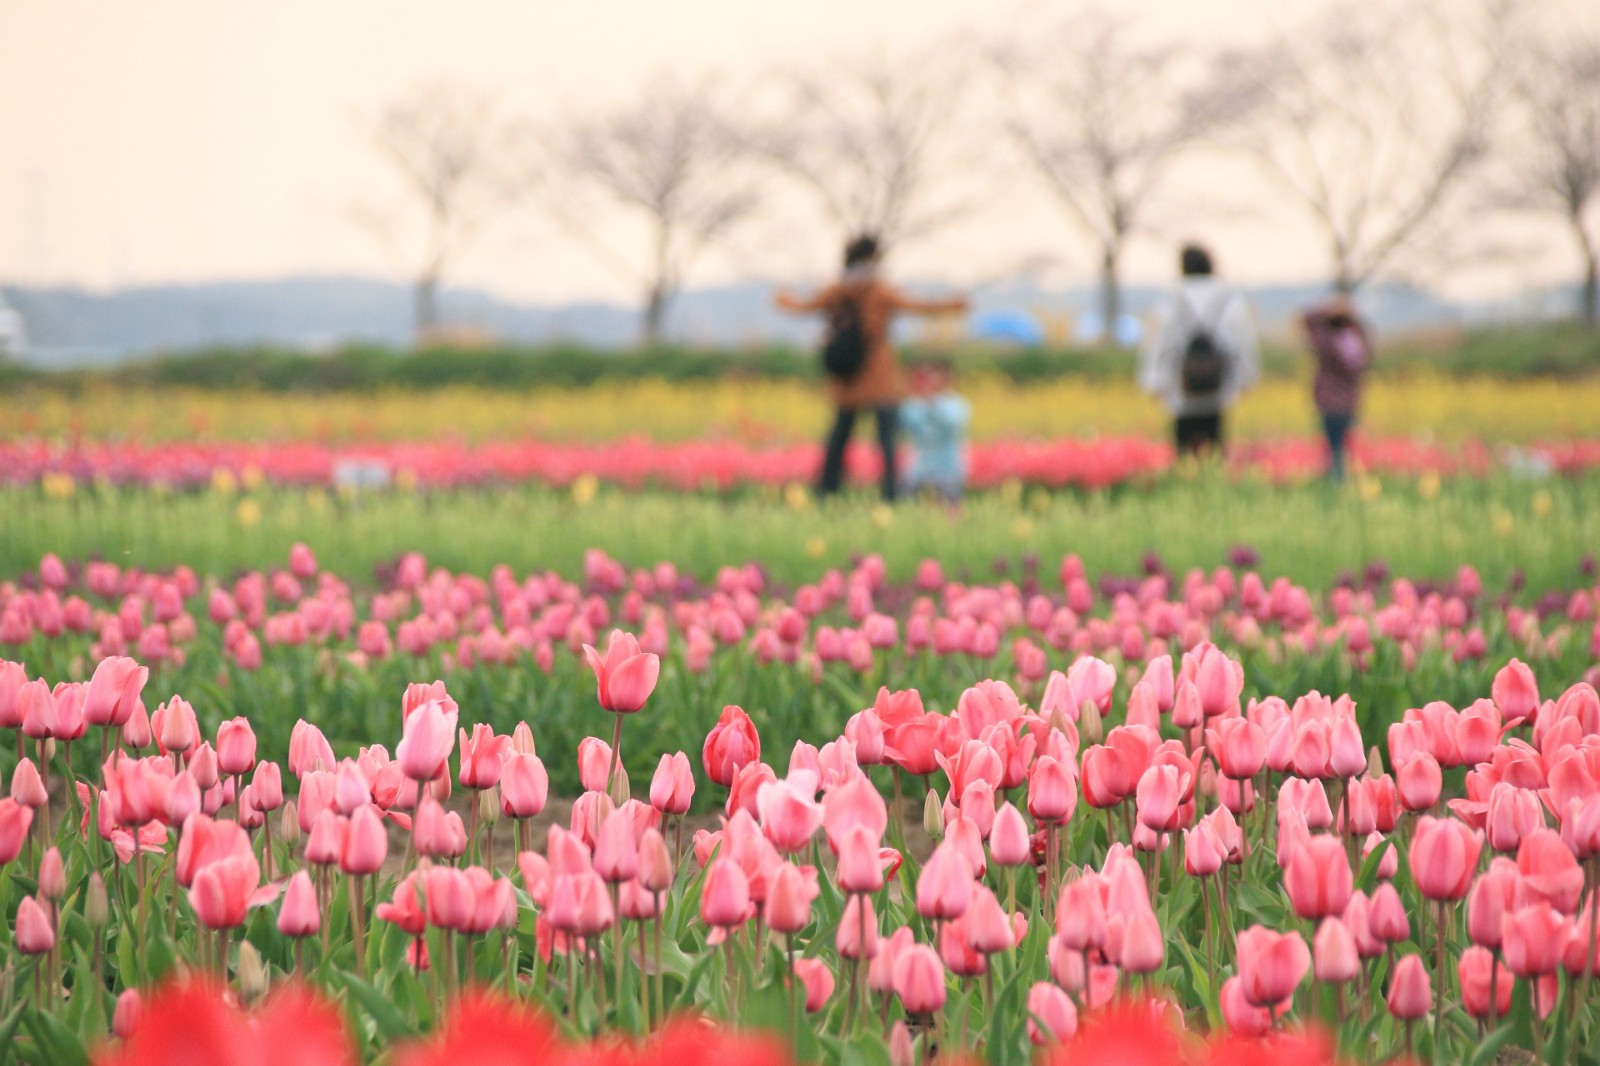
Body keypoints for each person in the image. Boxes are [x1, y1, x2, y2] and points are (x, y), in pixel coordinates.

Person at [776, 235, 968, 501]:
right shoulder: (879, 289)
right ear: (872, 258)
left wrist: (784, 299)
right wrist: (950, 305)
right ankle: (891, 494)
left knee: (839, 439)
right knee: (887, 442)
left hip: (848, 376)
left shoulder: (838, 289)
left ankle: (826, 492)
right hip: (879, 376)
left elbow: (805, 306)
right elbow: (916, 305)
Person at [1138, 244, 1260, 456]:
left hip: (1180, 383)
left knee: (1183, 444)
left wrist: (1154, 381)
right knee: (1215, 442)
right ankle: (1213, 479)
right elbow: (1242, 343)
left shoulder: (1170, 300)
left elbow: (1159, 344)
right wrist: (1245, 378)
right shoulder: (1230, 301)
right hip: (1218, 383)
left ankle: (1186, 476)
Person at [1303, 294, 1372, 481]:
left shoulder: (1326, 341)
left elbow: (1308, 319)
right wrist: (1351, 316)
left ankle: (1335, 478)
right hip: (1350, 402)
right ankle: (1338, 476)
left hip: (1328, 401)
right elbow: (1367, 337)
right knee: (1342, 443)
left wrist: (1325, 310)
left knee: (1332, 443)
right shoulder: (1356, 341)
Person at [899, 357, 971, 505]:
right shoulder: (912, 405)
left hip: (948, 469)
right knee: (906, 503)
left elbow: (952, 426)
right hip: (917, 470)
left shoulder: (957, 404)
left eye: (933, 375)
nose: (929, 381)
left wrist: (933, 403)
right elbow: (902, 426)